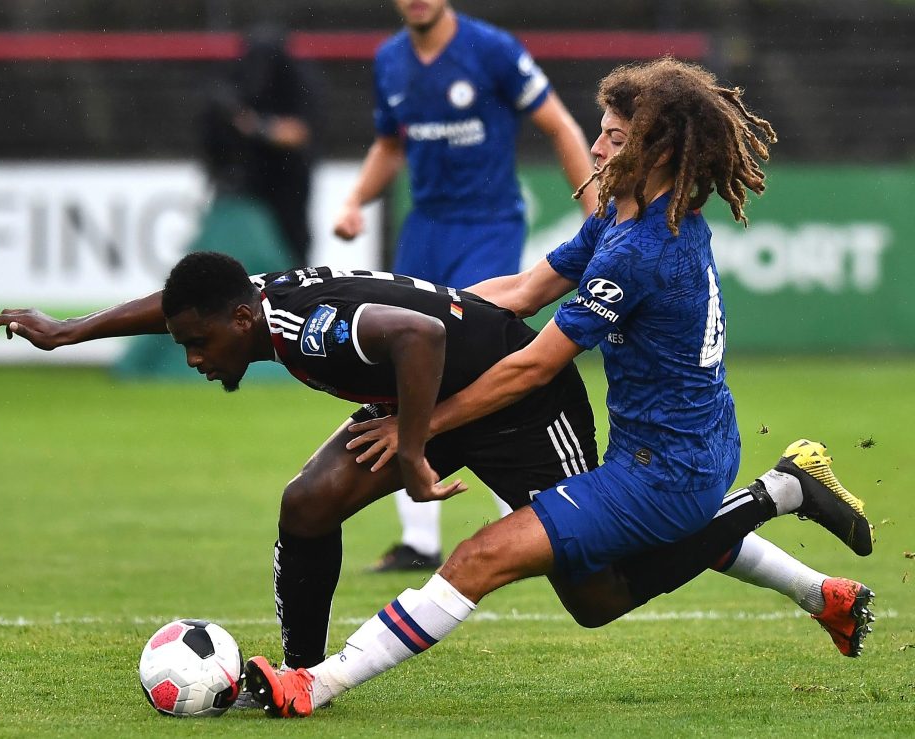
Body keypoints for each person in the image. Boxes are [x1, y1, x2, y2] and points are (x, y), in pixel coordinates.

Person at [232, 57, 875, 717]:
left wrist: (418, 427)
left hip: (668, 471)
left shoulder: (637, 252)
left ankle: (313, 684)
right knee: (596, 596)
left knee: (482, 555)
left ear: (661, 152)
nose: (595, 146)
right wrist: (426, 307)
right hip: (682, 451)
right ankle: (807, 549)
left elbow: (533, 366)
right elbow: (520, 291)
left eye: (617, 139)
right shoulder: (623, 220)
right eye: (601, 131)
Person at [0, 249, 872, 709]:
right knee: (309, 500)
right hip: (437, 404)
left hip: (523, 405)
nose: (195, 356)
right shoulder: (260, 307)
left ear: (243, 321)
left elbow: (421, 337)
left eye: (199, 344)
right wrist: (67, 330)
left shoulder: (312, 331)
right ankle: (301, 672)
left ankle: (779, 493)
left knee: (598, 590)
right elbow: (177, 301)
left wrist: (411, 446)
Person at [333, 0, 600, 571]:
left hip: (488, 226)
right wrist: (356, 200)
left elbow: (561, 126)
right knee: (399, 370)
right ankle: (418, 538)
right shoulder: (389, 61)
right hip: (424, 230)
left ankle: (527, 514)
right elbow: (389, 145)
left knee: (477, 360)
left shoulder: (493, 49)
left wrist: (598, 216)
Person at [203, 25, 319, 267]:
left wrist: (257, 127)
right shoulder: (237, 80)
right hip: (251, 179)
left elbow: (298, 132)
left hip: (290, 178)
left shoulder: (298, 81)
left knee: (292, 245)